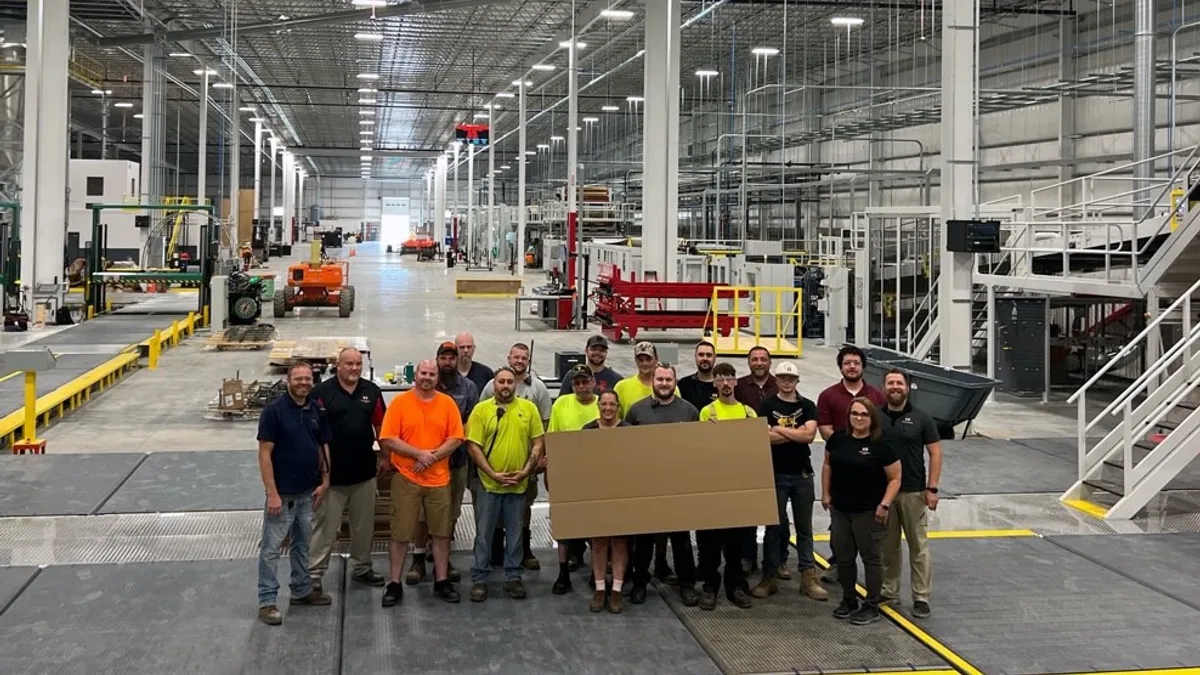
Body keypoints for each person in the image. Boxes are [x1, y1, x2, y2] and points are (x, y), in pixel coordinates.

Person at [378, 360, 465, 607]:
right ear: (415, 375)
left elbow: (457, 437)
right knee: (400, 534)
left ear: (438, 378)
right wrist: (419, 455)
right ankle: (394, 583)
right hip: (407, 478)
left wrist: (432, 457)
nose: (427, 377)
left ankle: (442, 580)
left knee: (441, 534)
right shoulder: (400, 404)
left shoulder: (447, 404)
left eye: (432, 374)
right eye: (423, 373)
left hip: (439, 481)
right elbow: (388, 438)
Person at [255, 362, 333, 626]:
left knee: (302, 545)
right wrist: (272, 493)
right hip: (283, 496)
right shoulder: (274, 411)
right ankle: (267, 601)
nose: (303, 383)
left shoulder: (316, 408)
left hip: (308, 493)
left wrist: (325, 479)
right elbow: (265, 454)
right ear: (288, 380)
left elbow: (322, 445)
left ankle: (301, 591)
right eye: (298, 378)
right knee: (271, 549)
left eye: (307, 379)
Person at [309, 348, 387, 594]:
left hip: (364, 473)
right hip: (331, 477)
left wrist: (385, 456)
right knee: (325, 528)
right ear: (338, 365)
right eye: (349, 364)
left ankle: (362, 567)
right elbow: (312, 431)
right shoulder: (321, 393)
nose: (354, 368)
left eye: (357, 364)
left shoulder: (371, 392)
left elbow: (380, 425)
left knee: (363, 527)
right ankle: (313, 574)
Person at [466, 367, 545, 602]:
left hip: (518, 486)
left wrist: (525, 471)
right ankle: (480, 579)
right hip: (488, 486)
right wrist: (492, 474)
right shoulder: (482, 411)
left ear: (515, 385)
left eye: (510, 382)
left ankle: (513, 577)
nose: (506, 386)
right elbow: (473, 446)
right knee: (483, 534)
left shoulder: (528, 409)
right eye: (501, 381)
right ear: (494, 385)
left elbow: (538, 443)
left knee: (515, 535)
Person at [821, 397, 901, 626]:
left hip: (869, 512)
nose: (858, 418)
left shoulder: (882, 445)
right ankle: (848, 599)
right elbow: (827, 464)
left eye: (864, 414)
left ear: (872, 418)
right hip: (840, 510)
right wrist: (825, 494)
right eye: (854, 414)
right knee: (844, 558)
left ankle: (871, 605)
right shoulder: (838, 439)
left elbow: (895, 478)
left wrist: (884, 505)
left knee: (871, 559)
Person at [625, 363, 700, 606]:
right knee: (643, 541)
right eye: (660, 380)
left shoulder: (689, 411)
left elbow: (697, 449)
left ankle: (686, 584)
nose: (664, 384)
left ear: (675, 382)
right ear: (652, 382)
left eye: (669, 380)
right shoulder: (636, 412)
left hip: (678, 487)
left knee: (681, 541)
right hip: (646, 487)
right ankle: (639, 583)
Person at [752, 360, 827, 601]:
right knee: (774, 527)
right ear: (777, 380)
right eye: (782, 378)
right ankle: (769, 576)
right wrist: (795, 434)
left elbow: (809, 436)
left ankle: (808, 576)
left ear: (797, 381)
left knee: (805, 529)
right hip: (775, 474)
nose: (786, 382)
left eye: (790, 378)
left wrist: (779, 430)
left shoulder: (808, 405)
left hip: (802, 475)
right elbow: (764, 438)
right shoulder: (767, 405)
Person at [407, 342, 479, 586]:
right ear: (437, 360)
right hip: (423, 465)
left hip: (455, 462)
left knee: (449, 514)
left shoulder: (468, 388)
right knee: (421, 515)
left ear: (457, 360)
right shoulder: (423, 387)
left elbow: (470, 424)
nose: (448, 362)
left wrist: (441, 451)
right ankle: (417, 559)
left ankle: (442, 560)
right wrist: (424, 455)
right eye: (443, 358)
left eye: (452, 358)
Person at [816, 345, 887, 582]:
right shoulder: (828, 395)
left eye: (856, 362)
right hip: (841, 468)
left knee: (868, 521)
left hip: (870, 469)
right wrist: (847, 446)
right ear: (840, 366)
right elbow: (825, 429)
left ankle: (874, 570)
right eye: (847, 362)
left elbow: (881, 431)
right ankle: (839, 562)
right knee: (839, 520)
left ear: (863, 366)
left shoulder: (877, 397)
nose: (852, 366)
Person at [481, 343, 552, 571]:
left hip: (527, 463)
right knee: (496, 508)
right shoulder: (491, 387)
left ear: (528, 360)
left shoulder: (538, 389)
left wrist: (540, 458)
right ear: (509, 357)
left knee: (524, 506)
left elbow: (545, 425)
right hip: (496, 464)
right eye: (516, 357)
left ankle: (524, 549)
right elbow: (481, 422)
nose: (520, 361)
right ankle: (496, 547)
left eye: (524, 358)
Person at [879, 369, 942, 618]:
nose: (895, 387)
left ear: (907, 388)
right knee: (888, 546)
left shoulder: (922, 418)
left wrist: (932, 487)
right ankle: (889, 591)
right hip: (883, 493)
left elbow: (935, 453)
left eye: (899, 383)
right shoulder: (875, 415)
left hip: (914, 491)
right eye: (890, 383)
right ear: (884, 388)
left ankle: (921, 596)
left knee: (919, 546)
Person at [694, 362, 756, 610]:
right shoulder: (706, 412)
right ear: (715, 383)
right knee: (710, 541)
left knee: (736, 542)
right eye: (720, 378)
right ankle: (710, 586)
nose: (726, 383)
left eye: (730, 378)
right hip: (713, 486)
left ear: (736, 381)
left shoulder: (749, 413)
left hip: (739, 486)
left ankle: (735, 586)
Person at [547, 364, 601, 593]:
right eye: (577, 383)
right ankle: (562, 573)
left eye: (585, 382)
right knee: (564, 526)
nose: (581, 387)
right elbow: (553, 439)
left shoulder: (604, 404)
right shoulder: (561, 404)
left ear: (593, 382)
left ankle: (596, 573)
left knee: (595, 526)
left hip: (596, 476)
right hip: (567, 473)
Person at [579, 389, 630, 614]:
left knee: (620, 544)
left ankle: (617, 591)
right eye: (604, 404)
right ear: (598, 406)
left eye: (612, 404)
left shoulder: (629, 432)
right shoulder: (587, 431)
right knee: (598, 543)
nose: (608, 408)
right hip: (595, 496)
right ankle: (600, 590)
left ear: (618, 407)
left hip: (621, 496)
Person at [733, 346, 778, 573]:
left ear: (770, 362)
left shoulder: (779, 385)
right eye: (754, 359)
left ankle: (778, 560)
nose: (759, 363)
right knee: (749, 512)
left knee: (776, 512)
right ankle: (747, 556)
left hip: (776, 456)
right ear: (748, 363)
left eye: (763, 359)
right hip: (748, 457)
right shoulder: (739, 386)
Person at [613, 341, 660, 418]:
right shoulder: (621, 387)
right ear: (635, 360)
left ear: (657, 358)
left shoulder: (667, 387)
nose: (644, 363)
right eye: (640, 360)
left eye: (648, 359)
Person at [677, 340, 717, 411]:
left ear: (715, 357)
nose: (705, 358)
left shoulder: (722, 385)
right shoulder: (683, 384)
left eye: (709, 355)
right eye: (701, 355)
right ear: (695, 357)